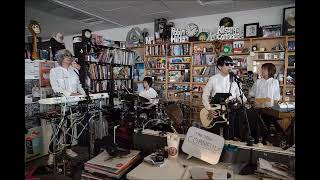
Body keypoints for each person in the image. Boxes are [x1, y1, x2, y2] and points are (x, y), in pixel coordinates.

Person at [47, 49, 86, 165]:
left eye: (69, 56)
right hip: (61, 104)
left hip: (73, 103)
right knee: (58, 129)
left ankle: (68, 148)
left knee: (70, 126)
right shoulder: (54, 71)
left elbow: (79, 86)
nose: (69, 58)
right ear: (60, 59)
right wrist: (71, 94)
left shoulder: (74, 70)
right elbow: (56, 88)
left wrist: (84, 95)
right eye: (66, 56)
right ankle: (51, 154)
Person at [202, 55, 247, 140]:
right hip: (215, 110)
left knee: (229, 136)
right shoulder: (213, 79)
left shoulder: (235, 79)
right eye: (227, 64)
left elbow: (240, 94)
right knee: (213, 136)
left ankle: (227, 152)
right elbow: (205, 95)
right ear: (219, 66)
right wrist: (209, 109)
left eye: (231, 64)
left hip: (230, 110)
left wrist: (246, 103)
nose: (230, 66)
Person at [248, 63, 283, 145]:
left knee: (267, 118)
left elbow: (276, 98)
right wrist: (253, 101)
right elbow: (250, 95)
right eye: (262, 69)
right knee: (255, 118)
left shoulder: (274, 82)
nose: (262, 71)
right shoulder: (258, 81)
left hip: (269, 109)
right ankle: (260, 139)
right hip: (257, 109)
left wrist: (267, 104)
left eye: (264, 69)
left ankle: (265, 140)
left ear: (270, 71)